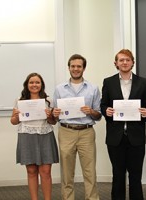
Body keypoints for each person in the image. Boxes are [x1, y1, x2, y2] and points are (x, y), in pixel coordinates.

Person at [100, 49, 146, 200]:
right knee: (118, 175)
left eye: (127, 60)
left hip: (136, 136)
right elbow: (103, 105)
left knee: (136, 176)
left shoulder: (143, 82)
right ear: (116, 63)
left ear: (132, 62)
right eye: (121, 60)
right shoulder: (108, 82)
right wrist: (106, 111)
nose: (124, 62)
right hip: (115, 137)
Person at [52, 54, 102, 200]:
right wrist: (54, 113)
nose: (75, 69)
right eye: (73, 66)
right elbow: (54, 117)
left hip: (86, 132)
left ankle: (92, 198)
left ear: (84, 68)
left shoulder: (93, 88)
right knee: (67, 172)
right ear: (69, 68)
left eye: (79, 66)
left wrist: (91, 111)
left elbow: (98, 115)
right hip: (66, 131)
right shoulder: (59, 89)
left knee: (90, 171)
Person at [10, 72, 59, 200]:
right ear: (27, 85)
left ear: (41, 84)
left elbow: (53, 122)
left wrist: (50, 116)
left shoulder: (49, 101)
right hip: (27, 136)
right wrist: (15, 116)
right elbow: (14, 122)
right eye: (31, 82)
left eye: (37, 82)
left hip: (45, 135)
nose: (34, 85)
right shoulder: (19, 100)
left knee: (46, 172)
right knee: (31, 171)